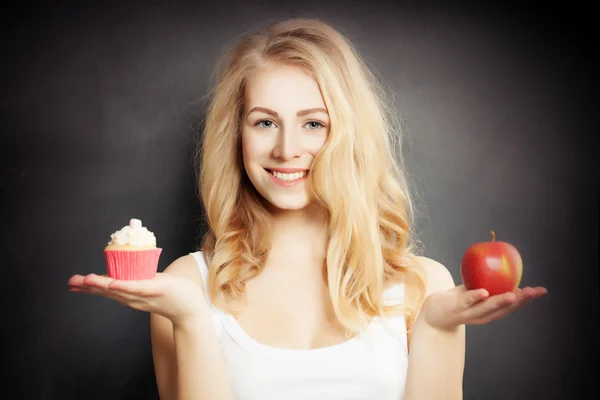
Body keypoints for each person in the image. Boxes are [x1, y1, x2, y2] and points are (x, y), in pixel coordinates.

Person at [68, 18, 547, 400]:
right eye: (264, 122)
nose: (286, 149)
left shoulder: (425, 287)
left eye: (313, 123)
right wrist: (192, 320)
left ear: (347, 135)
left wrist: (436, 328)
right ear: (236, 137)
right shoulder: (186, 286)